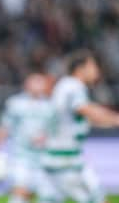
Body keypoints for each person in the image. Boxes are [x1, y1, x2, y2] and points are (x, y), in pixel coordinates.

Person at [39, 49, 119, 203]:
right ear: (81, 68)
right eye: (93, 65)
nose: (97, 71)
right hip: (66, 159)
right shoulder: (73, 86)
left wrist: (108, 120)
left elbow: (82, 117)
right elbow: (86, 109)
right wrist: (115, 119)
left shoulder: (65, 86)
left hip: (58, 157)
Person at [0, 73, 56, 203]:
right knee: (19, 192)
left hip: (43, 157)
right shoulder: (16, 103)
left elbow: (55, 130)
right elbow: (4, 127)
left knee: (45, 194)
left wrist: (47, 137)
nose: (38, 85)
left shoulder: (50, 106)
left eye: (40, 82)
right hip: (20, 155)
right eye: (35, 82)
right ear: (27, 84)